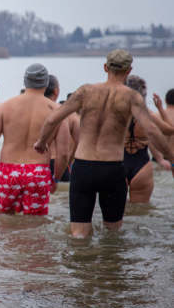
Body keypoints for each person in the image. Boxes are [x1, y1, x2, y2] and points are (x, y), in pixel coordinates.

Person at [34, 50, 174, 237]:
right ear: (129, 70)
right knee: (112, 233)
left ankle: (81, 265)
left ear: (105, 67)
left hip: (83, 167)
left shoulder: (85, 91)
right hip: (112, 169)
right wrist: (172, 159)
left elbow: (53, 119)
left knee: (78, 234)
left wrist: (41, 142)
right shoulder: (132, 97)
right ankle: (108, 265)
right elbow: (152, 131)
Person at [0, 63, 70, 215]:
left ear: (25, 81)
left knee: (5, 222)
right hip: (38, 172)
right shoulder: (56, 111)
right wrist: (56, 179)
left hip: (9, 171)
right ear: (46, 83)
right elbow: (63, 153)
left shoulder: (5, 106)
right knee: (35, 225)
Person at [122, 76, 174, 203]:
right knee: (140, 212)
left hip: (117, 163)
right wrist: (160, 108)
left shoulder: (114, 113)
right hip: (142, 165)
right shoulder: (147, 113)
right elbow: (170, 129)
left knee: (114, 213)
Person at [44, 75, 80, 182]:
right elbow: (80, 144)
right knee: (63, 197)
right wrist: (68, 162)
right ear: (56, 91)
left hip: (38, 163)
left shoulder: (34, 112)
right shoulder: (71, 115)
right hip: (61, 164)